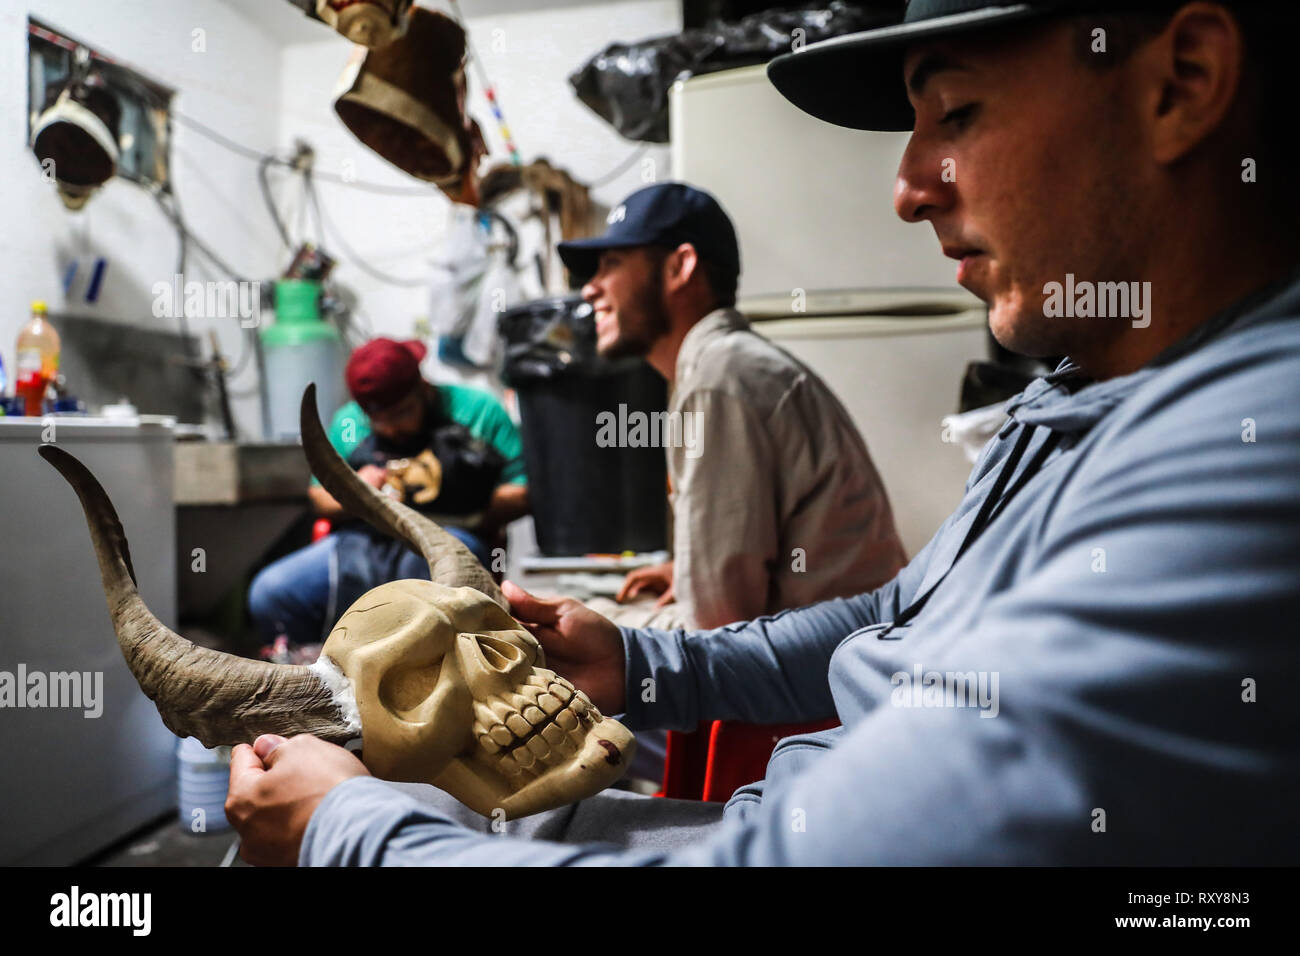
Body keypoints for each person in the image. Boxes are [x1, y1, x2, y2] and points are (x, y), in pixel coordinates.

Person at [228, 0, 1300, 865]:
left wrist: (347, 832)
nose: (905, 188)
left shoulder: (1248, 447)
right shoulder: (1070, 394)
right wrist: (645, 664)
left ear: (1183, 83)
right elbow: (894, 619)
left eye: (957, 113)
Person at [562, 181, 907, 630]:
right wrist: (687, 573)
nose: (590, 289)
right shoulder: (730, 366)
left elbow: (717, 636)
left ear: (679, 268)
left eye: (611, 264)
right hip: (839, 659)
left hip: (821, 687)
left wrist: (606, 622)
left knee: (564, 625)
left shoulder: (719, 380)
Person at [247, 338, 529, 648]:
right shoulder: (350, 423)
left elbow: (523, 491)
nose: (391, 429)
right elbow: (319, 498)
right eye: (379, 421)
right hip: (364, 541)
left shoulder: (477, 412)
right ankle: (324, 676)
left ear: (422, 387)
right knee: (270, 593)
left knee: (426, 596)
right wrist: (355, 489)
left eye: (402, 413)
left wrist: (459, 501)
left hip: (451, 537)